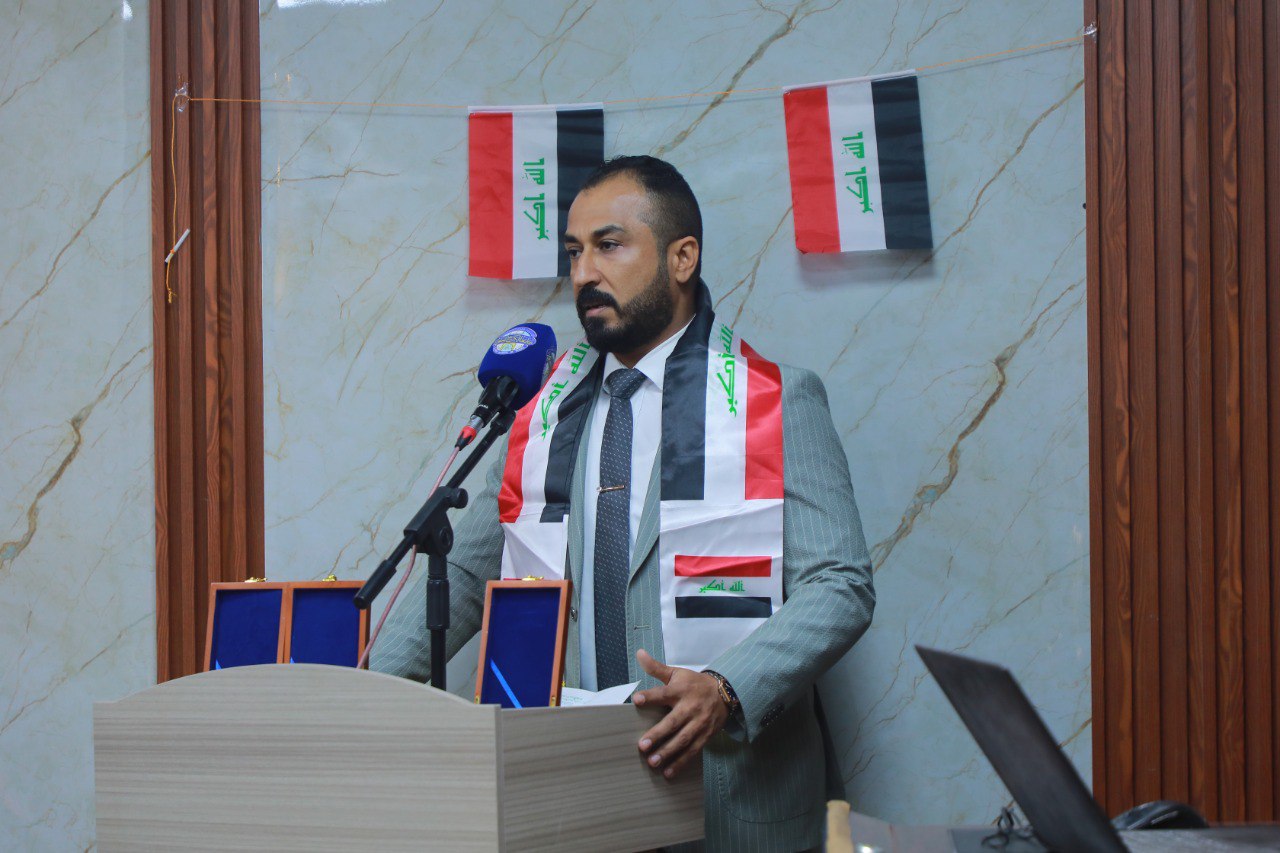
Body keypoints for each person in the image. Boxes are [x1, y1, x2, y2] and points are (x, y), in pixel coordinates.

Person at [373, 155, 874, 851]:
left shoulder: (775, 399)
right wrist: (366, 698)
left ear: (682, 258)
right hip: (573, 795)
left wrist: (727, 686)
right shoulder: (543, 413)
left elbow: (840, 584)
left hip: (732, 795)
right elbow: (464, 574)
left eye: (608, 245)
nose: (583, 273)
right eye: (573, 252)